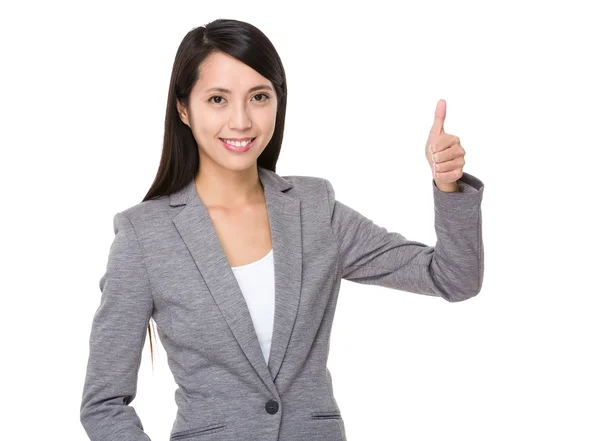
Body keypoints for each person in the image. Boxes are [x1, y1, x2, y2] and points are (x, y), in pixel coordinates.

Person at [80, 18, 485, 441]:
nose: (241, 121)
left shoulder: (313, 209)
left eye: (259, 96)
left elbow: (453, 278)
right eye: (218, 99)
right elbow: (104, 404)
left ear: (278, 102)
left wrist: (447, 184)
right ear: (183, 108)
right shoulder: (145, 235)